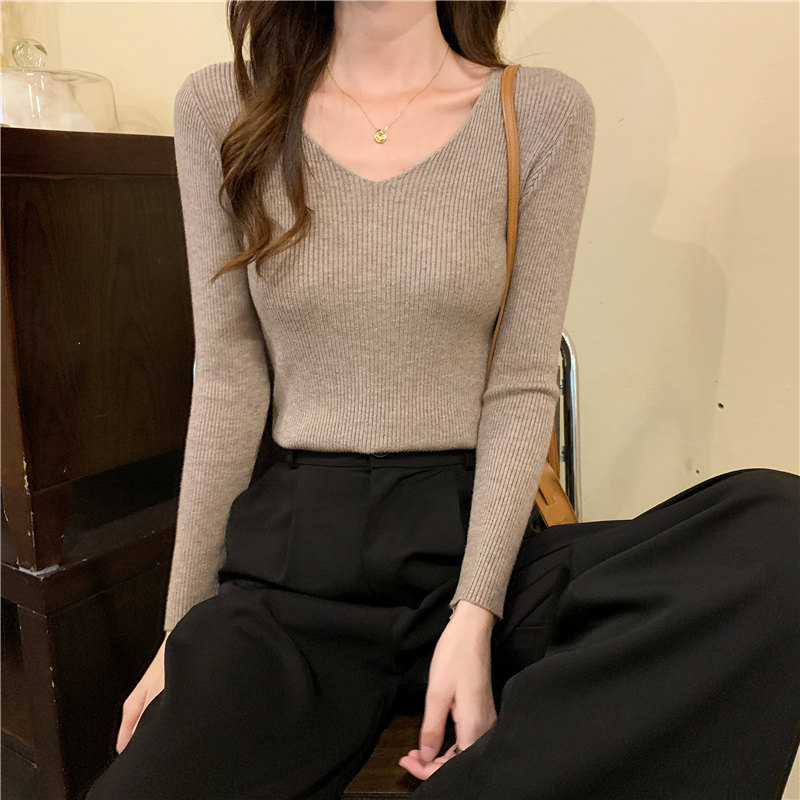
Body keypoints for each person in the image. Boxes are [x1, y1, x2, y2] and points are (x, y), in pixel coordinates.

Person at [85, 2, 800, 799]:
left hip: (475, 540)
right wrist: (180, 628)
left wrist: (475, 612)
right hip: (293, 569)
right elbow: (228, 376)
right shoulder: (223, 105)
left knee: (779, 532)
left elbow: (521, 379)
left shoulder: (540, 110)